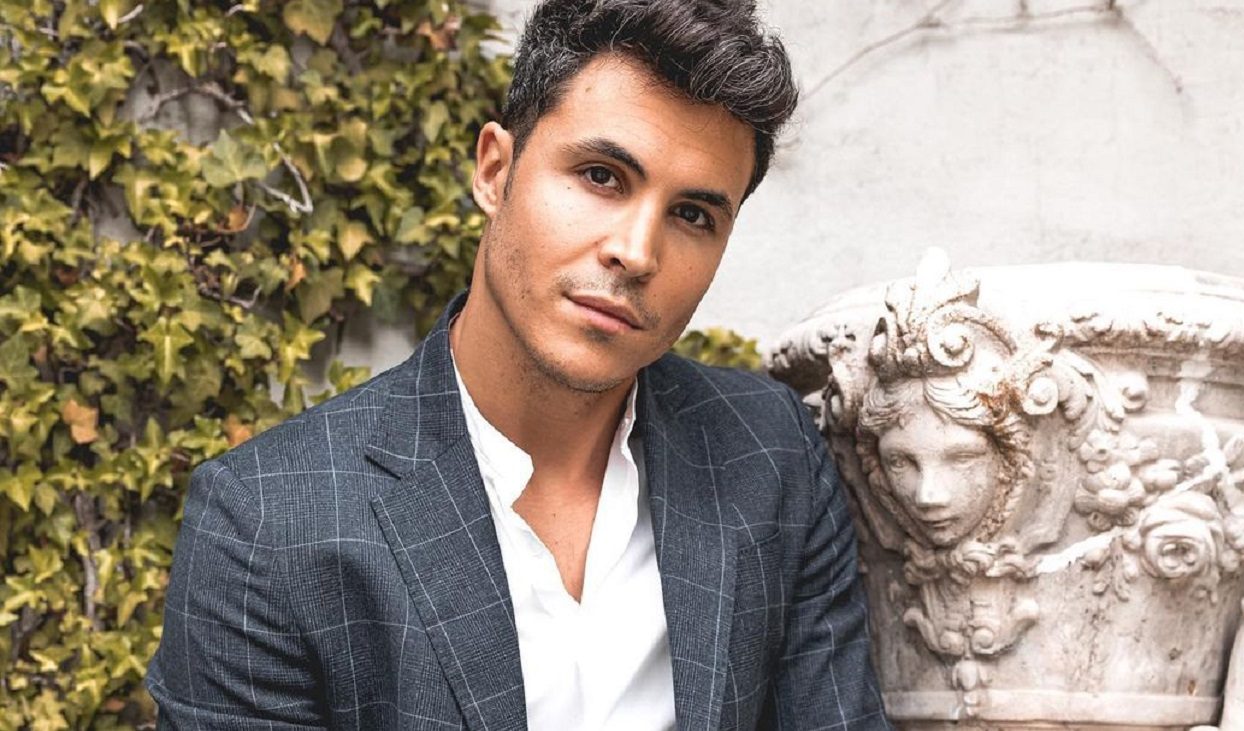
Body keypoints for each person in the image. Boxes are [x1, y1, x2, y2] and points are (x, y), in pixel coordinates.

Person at [146, 0, 890, 728]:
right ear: (495, 170)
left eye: (693, 215)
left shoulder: (769, 453)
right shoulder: (268, 523)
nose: (637, 252)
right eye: (601, 176)